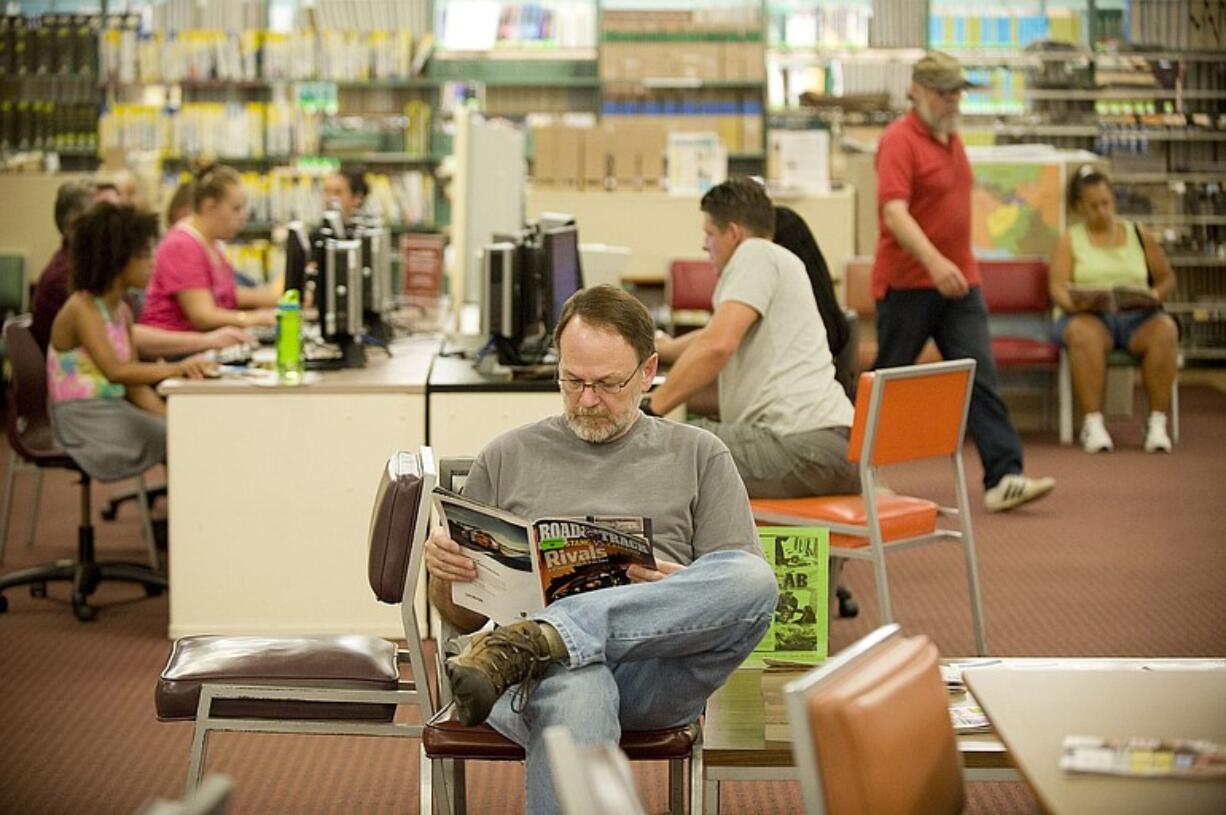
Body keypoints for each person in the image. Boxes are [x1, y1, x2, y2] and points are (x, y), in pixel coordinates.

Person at [425, 284, 778, 815]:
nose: (588, 401)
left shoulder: (699, 454)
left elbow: (736, 599)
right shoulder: (507, 455)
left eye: (608, 383)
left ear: (648, 369)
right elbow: (460, 617)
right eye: (572, 381)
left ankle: (549, 636)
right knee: (577, 688)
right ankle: (546, 645)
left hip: (654, 670)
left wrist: (677, 586)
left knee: (756, 580)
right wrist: (443, 575)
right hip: (526, 676)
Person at [873, 51, 1055, 512]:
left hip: (960, 282)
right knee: (887, 383)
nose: (953, 100)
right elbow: (895, 212)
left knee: (980, 377)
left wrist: (951, 266)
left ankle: (1004, 476)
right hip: (910, 282)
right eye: (944, 92)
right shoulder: (899, 140)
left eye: (958, 92)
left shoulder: (951, 138)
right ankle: (859, 473)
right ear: (916, 90)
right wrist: (934, 263)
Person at [648, 178, 859, 499]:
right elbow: (713, 334)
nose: (705, 245)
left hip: (799, 447)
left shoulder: (754, 254)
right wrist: (661, 350)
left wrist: (652, 411)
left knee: (658, 447)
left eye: (709, 234)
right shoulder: (781, 261)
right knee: (682, 445)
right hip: (830, 446)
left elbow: (717, 345)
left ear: (733, 233)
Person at [46, 203, 212, 481]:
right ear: (117, 259)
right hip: (84, 418)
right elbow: (116, 371)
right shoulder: (82, 308)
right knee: (180, 442)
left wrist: (170, 417)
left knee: (185, 432)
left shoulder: (121, 310)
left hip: (115, 409)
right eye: (144, 255)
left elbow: (134, 386)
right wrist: (175, 369)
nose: (153, 262)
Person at [31, 180, 249, 358]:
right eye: (113, 218)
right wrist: (205, 343)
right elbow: (119, 366)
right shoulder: (73, 283)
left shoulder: (109, 291)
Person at [1048, 166, 1179, 453]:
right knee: (1084, 334)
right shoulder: (1070, 239)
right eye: (1094, 206)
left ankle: (1157, 423)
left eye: (1106, 203)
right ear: (1080, 207)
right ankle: (1093, 424)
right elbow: (1057, 287)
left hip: (1137, 317)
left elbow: (1167, 278)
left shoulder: (1138, 233)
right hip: (1089, 317)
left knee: (1166, 331)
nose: (1102, 211)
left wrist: (1153, 295)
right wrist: (1075, 304)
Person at [140, 164, 279, 334]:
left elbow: (226, 295)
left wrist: (274, 300)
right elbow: (202, 316)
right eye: (236, 208)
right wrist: (254, 319)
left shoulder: (211, 243)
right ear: (209, 206)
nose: (242, 216)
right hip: (180, 350)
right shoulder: (182, 245)